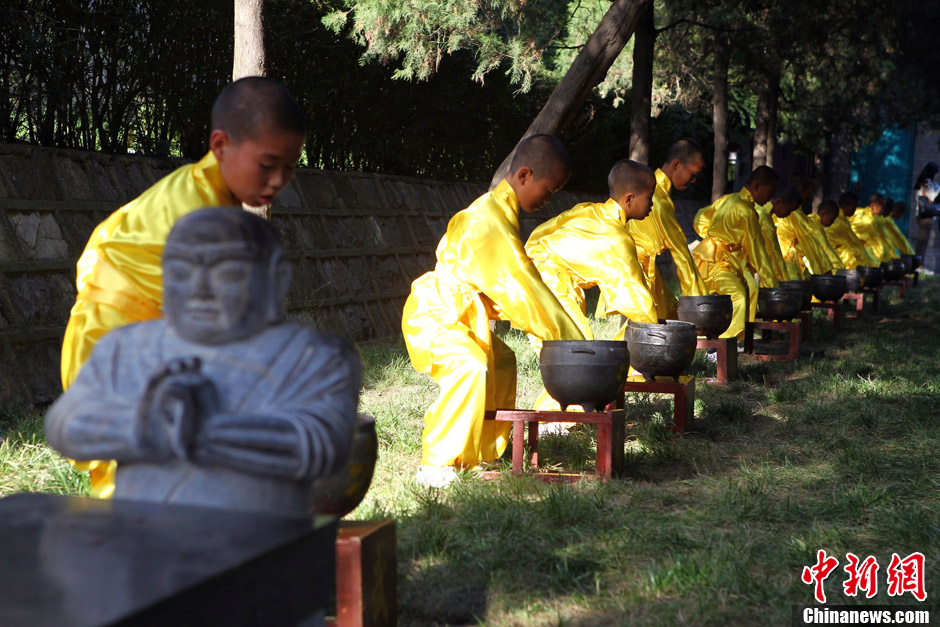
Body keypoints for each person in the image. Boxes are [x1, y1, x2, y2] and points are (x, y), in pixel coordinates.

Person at [59, 76, 307, 497]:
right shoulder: (199, 212)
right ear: (220, 146)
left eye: (289, 168)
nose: (278, 180)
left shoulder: (209, 194)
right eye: (267, 165)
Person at [46, 208, 361, 518]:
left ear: (276, 277)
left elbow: (325, 443)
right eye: (182, 273)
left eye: (229, 274)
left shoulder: (314, 355)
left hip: (258, 543)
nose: (200, 291)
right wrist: (145, 426)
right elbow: (64, 424)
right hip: (140, 538)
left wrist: (205, 427)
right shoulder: (125, 347)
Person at [401, 134, 584, 488]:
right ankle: (435, 462)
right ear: (525, 175)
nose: (548, 200)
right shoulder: (490, 218)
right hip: (439, 314)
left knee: (502, 361)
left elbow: (506, 289)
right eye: (548, 190)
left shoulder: (500, 212)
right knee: (469, 365)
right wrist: (570, 341)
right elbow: (523, 286)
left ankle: (478, 452)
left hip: (465, 315)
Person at [526, 159, 658, 343]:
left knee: (573, 347)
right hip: (549, 279)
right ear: (629, 199)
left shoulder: (590, 210)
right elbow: (638, 302)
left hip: (541, 270)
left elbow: (545, 231)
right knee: (576, 347)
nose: (652, 204)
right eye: (649, 196)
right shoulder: (616, 239)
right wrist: (655, 333)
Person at [691, 166, 780, 341]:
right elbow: (758, 250)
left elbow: (701, 217)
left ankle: (736, 339)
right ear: (757, 186)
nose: (771, 197)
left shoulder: (729, 199)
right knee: (738, 295)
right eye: (770, 191)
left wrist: (712, 234)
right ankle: (725, 344)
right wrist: (773, 286)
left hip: (719, 258)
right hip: (717, 262)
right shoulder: (746, 211)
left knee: (749, 289)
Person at [627, 139, 708, 320]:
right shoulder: (657, 198)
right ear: (677, 165)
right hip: (635, 272)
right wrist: (699, 303)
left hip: (638, 270)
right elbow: (681, 253)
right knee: (650, 329)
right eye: (693, 174)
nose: (694, 181)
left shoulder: (656, 191)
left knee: (671, 313)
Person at [755, 185, 802, 282]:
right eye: (788, 210)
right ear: (778, 202)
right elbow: (772, 252)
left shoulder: (763, 213)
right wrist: (782, 280)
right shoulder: (763, 217)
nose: (788, 215)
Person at [814, 199, 872, 269]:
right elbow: (827, 246)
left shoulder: (843, 219)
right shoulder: (838, 222)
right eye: (853, 207)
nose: (854, 210)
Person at [849, 193, 900, 262]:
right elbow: (877, 242)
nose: (883, 210)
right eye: (882, 207)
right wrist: (888, 259)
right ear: (873, 205)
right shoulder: (869, 220)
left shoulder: (858, 211)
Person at [914, 162, 940, 258]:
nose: (937, 175)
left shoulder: (926, 182)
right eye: (936, 173)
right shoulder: (926, 182)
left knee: (923, 242)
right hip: (926, 216)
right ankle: (918, 265)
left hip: (924, 215)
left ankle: (919, 264)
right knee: (922, 242)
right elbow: (933, 198)